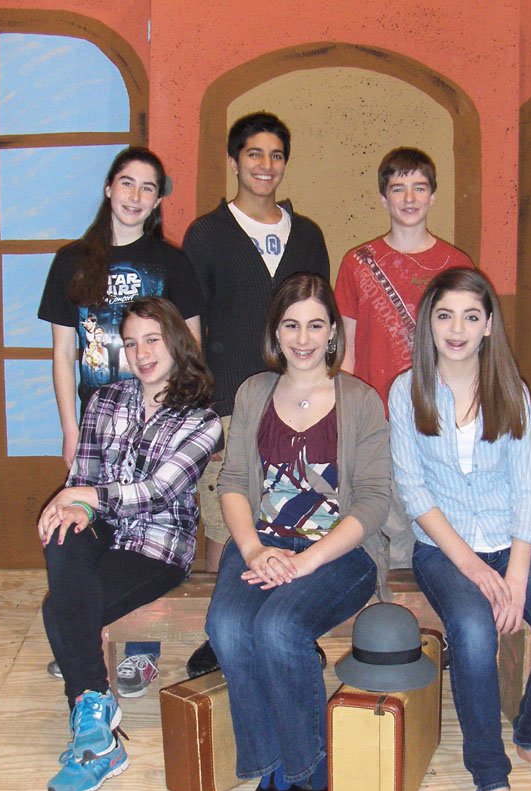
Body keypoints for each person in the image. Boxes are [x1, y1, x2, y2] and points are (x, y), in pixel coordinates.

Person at [388, 267, 531, 791]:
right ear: (429, 321)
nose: (457, 328)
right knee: (475, 636)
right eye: (445, 315)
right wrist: (474, 568)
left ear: (487, 326)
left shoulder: (511, 390)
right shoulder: (408, 392)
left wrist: (518, 573)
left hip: (516, 539)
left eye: (471, 316)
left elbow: (529, 488)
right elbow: (414, 492)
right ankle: (489, 776)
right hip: (445, 550)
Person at [205, 273, 390, 791]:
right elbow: (234, 483)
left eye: (315, 325)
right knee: (227, 625)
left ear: (333, 330)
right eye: (291, 325)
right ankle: (272, 763)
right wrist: (255, 550)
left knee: (280, 627)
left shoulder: (360, 400)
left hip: (340, 554)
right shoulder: (252, 393)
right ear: (275, 331)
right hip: (261, 542)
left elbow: (374, 501)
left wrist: (308, 560)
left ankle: (309, 763)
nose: (303, 338)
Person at [39, 298, 221, 791]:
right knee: (63, 534)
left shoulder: (201, 419)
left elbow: (159, 492)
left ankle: (93, 727)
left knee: (60, 610)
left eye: (153, 340)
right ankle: (98, 725)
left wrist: (85, 498)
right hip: (101, 528)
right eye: (133, 342)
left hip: (157, 545)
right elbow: (84, 478)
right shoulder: (105, 401)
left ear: (177, 344)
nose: (141, 353)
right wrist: (71, 507)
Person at [38, 146, 201, 696]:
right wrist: (70, 429)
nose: (135, 196)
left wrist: (181, 402)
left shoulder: (171, 263)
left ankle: (124, 645)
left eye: (147, 188)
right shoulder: (72, 260)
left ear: (157, 200)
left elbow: (191, 344)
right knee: (84, 536)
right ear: (109, 188)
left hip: (162, 418)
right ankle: (84, 642)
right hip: (99, 424)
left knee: (139, 532)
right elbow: (62, 354)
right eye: (126, 183)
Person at [183, 111, 329, 677]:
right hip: (227, 405)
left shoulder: (308, 233)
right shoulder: (208, 234)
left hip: (300, 403)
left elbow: (320, 317)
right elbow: (191, 324)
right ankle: (224, 633)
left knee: (297, 510)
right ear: (235, 160)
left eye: (275, 156)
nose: (265, 166)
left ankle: (288, 624)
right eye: (254, 155)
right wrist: (200, 404)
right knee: (228, 516)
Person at [335, 147, 473, 569]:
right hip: (378, 424)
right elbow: (347, 351)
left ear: (433, 196)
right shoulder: (358, 263)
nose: (409, 198)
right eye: (398, 189)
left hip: (439, 421)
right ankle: (387, 629)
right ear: (383, 198)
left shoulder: (456, 265)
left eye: (419, 187)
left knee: (438, 533)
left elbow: (473, 353)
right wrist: (344, 421)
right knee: (382, 531)